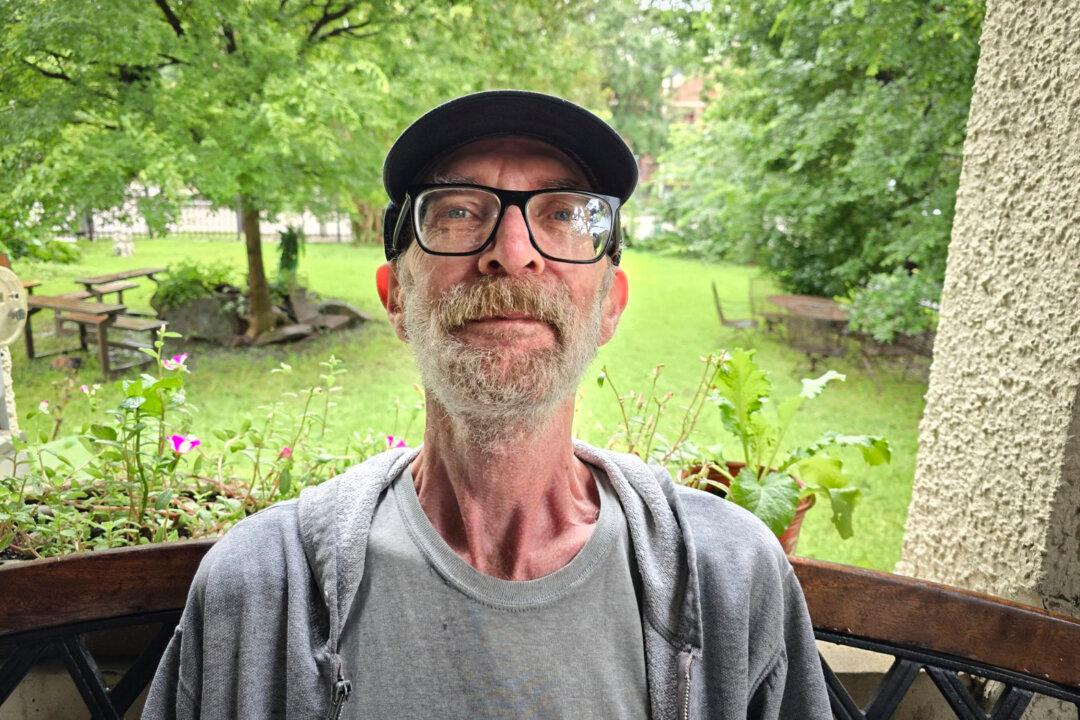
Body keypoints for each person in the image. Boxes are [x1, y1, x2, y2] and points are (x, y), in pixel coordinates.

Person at [144, 90, 832, 720]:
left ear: (610, 306)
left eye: (562, 214)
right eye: (458, 212)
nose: (511, 252)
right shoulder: (259, 592)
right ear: (396, 298)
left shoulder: (734, 579)